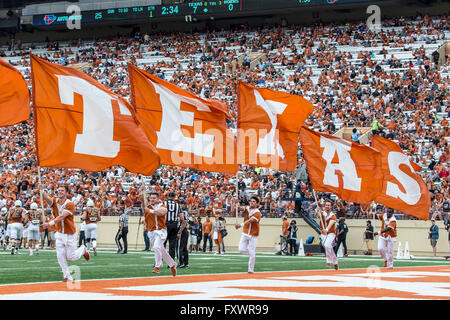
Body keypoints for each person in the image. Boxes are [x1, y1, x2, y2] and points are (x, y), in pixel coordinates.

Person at [41, 185, 90, 282]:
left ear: (66, 193)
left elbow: (61, 217)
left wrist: (49, 224)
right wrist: (41, 190)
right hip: (59, 233)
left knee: (71, 257)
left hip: (69, 233)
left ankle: (83, 249)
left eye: (62, 190)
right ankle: (67, 276)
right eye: (58, 190)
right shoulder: (55, 201)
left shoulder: (70, 204)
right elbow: (46, 198)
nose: (60, 192)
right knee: (60, 255)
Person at [142, 192, 176, 276]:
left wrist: (150, 211)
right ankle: (172, 264)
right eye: (151, 198)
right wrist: (142, 191)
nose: (152, 199)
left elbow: (161, 213)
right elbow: (141, 199)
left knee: (156, 246)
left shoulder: (162, 206)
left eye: (154, 198)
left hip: (161, 231)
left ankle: (157, 266)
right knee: (162, 251)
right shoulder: (147, 207)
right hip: (151, 232)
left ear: (158, 199)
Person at [235, 195, 262, 274]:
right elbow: (240, 208)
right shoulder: (247, 208)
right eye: (251, 201)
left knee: (252, 253)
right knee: (241, 249)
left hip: (253, 234)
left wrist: (240, 225)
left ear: (257, 204)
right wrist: (237, 203)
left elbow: (250, 220)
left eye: (254, 201)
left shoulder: (257, 212)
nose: (252, 203)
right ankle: (251, 252)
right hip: (245, 233)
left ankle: (250, 269)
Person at [315, 199, 338, 270]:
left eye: (328, 205)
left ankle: (328, 261)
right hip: (323, 234)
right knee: (328, 247)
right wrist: (316, 211)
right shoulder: (322, 213)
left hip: (331, 233)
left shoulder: (333, 215)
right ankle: (335, 262)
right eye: (326, 205)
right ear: (324, 206)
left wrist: (327, 229)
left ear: (331, 207)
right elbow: (317, 215)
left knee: (327, 245)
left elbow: (331, 224)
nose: (327, 206)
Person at [164, 192, 183, 262]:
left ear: (168, 196)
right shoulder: (177, 205)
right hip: (174, 225)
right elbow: (182, 218)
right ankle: (171, 263)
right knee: (172, 246)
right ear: (174, 197)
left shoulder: (164, 204)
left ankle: (158, 262)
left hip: (165, 225)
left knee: (162, 244)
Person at [177, 201, 189, 268]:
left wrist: (179, 231)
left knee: (180, 247)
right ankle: (186, 263)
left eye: (181, 204)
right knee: (184, 248)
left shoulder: (184, 212)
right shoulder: (185, 212)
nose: (180, 205)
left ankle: (181, 262)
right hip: (185, 230)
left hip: (182, 229)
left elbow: (183, 222)